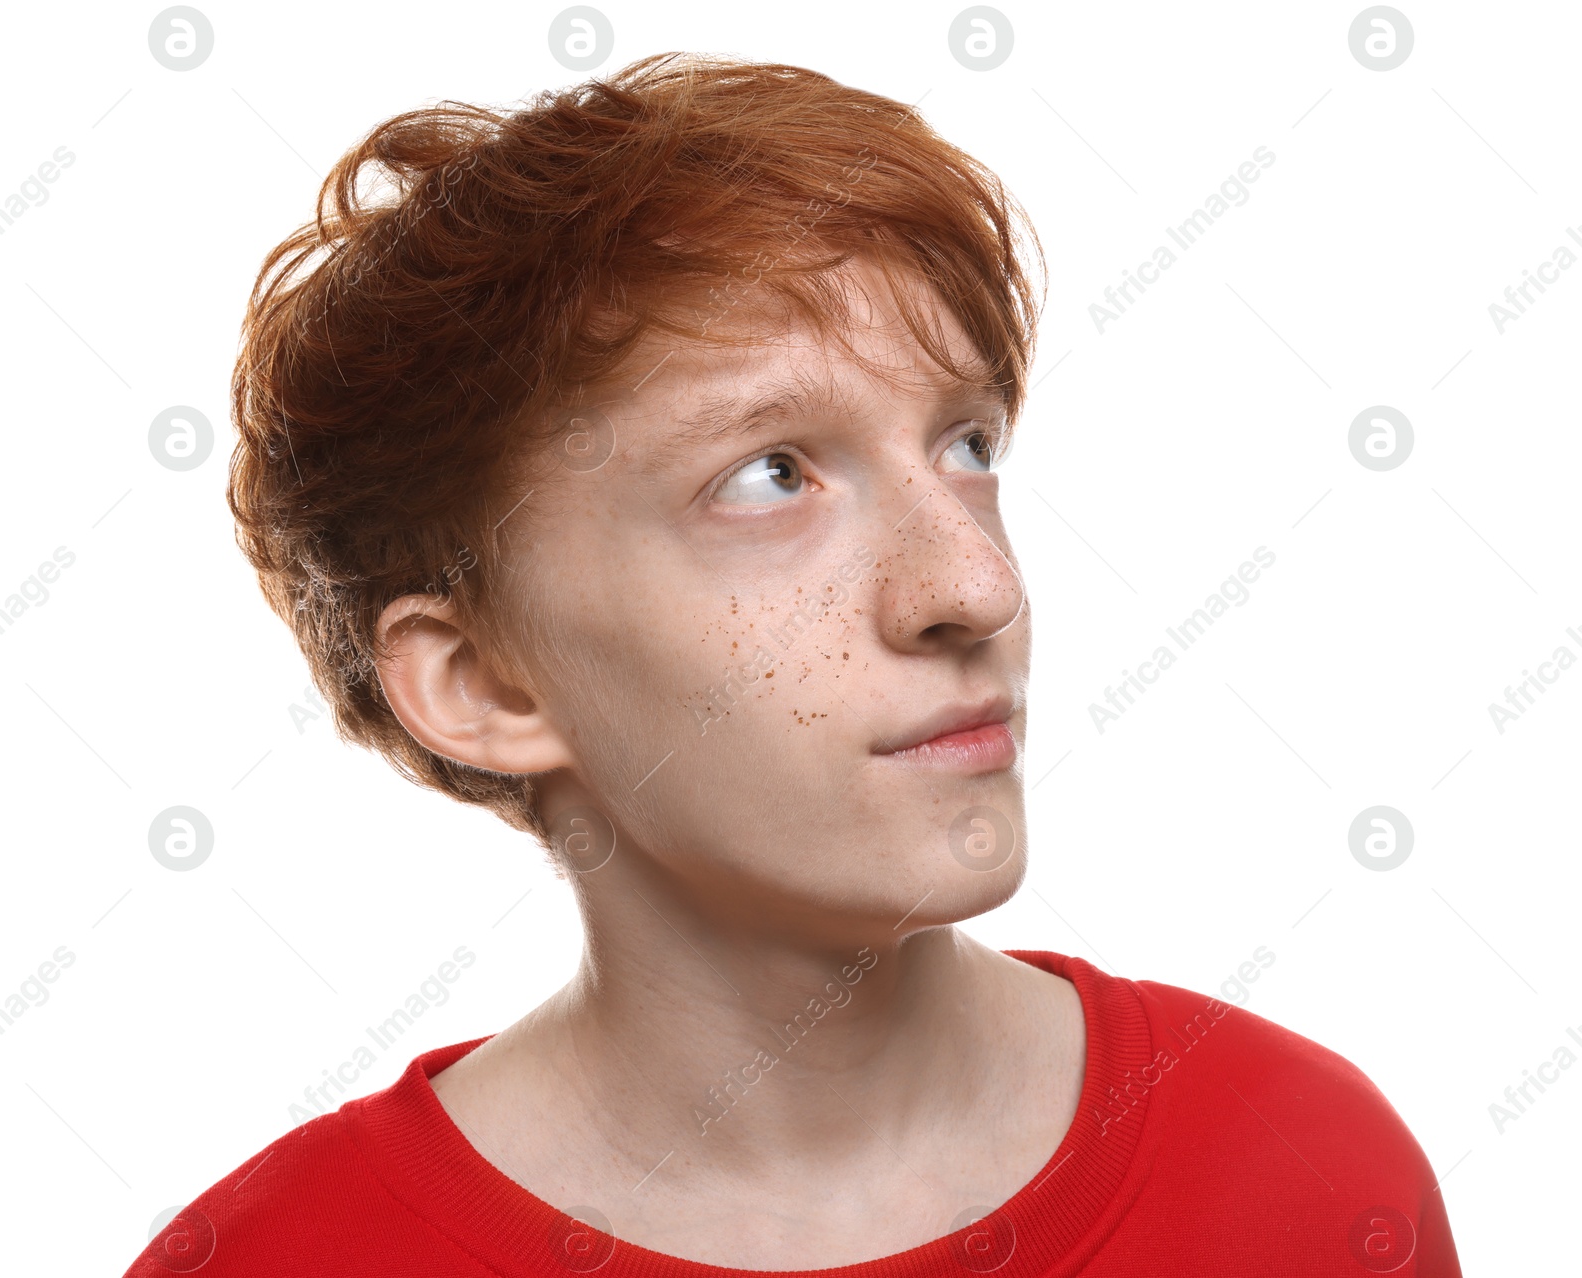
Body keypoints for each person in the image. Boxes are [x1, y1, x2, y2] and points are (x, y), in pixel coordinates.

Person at [123, 52, 1462, 1277]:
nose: (974, 586)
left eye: (967, 445)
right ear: (487, 683)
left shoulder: (1304, 1176)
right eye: (771, 475)